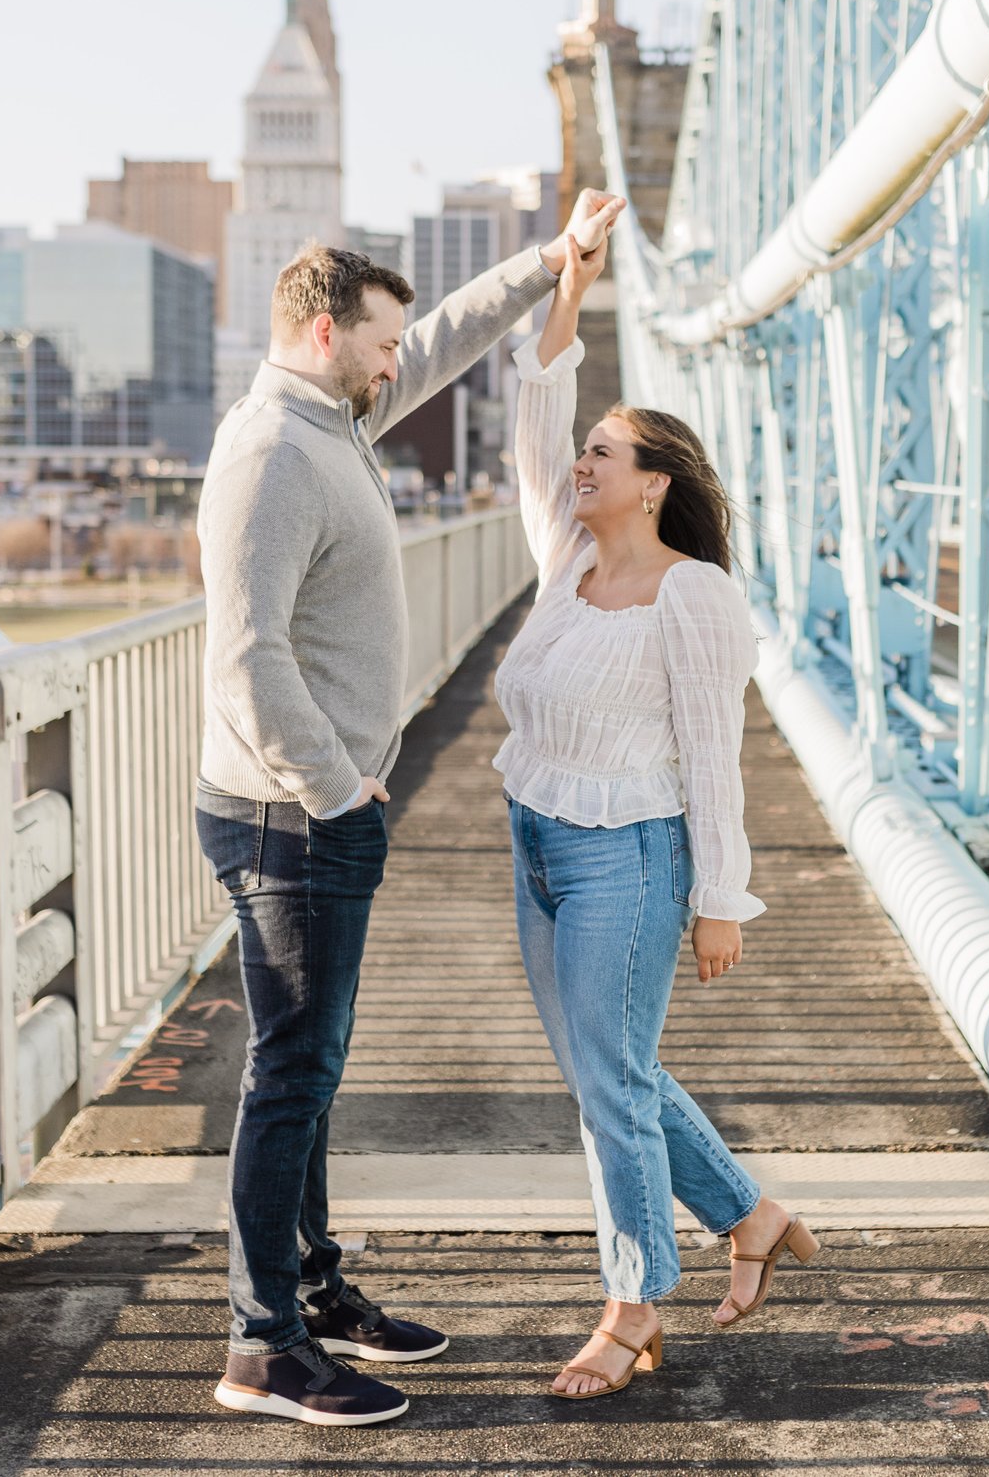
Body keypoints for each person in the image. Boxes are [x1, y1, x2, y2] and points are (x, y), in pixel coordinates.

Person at [194, 211, 613, 1427]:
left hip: (312, 807)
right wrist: (336, 787)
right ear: (322, 332)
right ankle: (261, 1346)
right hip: (294, 816)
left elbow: (436, 341)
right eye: (376, 343)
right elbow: (245, 655)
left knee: (309, 1071)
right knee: (291, 1074)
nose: (397, 364)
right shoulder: (273, 451)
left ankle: (310, 1288)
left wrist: (546, 264)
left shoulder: (335, 412)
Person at [492, 193, 818, 1400]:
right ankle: (749, 1210)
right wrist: (570, 281)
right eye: (587, 452)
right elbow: (537, 414)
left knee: (611, 1084)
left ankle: (630, 1306)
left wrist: (718, 896)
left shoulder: (693, 598)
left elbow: (711, 752)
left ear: (655, 485)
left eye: (604, 455)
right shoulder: (568, 557)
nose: (581, 462)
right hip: (536, 836)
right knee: (603, 1072)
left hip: (627, 856)